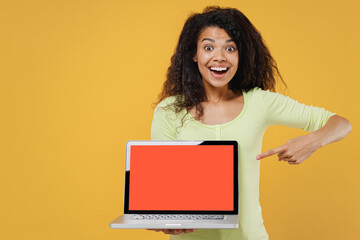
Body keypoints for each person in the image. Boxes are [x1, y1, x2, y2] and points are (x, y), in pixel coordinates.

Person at [148, 6, 352, 240]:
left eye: (230, 48)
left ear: (241, 54)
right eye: (208, 47)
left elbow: (341, 123)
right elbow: (164, 188)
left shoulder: (259, 102)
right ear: (194, 54)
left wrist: (312, 141)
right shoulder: (169, 110)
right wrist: (165, 217)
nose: (219, 57)